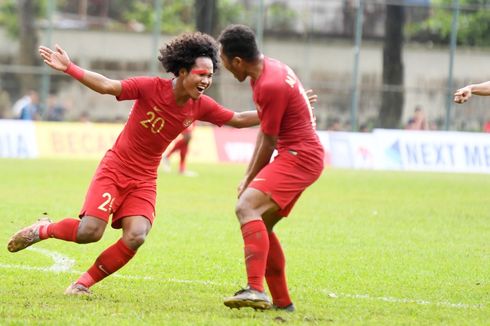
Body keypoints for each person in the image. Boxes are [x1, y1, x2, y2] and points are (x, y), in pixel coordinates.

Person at [7, 32, 261, 295]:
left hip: (144, 180)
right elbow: (107, 85)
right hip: (115, 169)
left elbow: (239, 118)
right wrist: (70, 68)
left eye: (210, 76)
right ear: (183, 71)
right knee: (89, 233)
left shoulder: (200, 106)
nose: (206, 81)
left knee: (136, 235)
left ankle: (82, 284)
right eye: (201, 74)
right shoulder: (150, 87)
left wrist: (280, 108)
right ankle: (43, 229)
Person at [218, 25, 325, 311]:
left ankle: (255, 290)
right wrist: (248, 177)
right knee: (261, 223)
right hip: (300, 154)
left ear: (237, 60)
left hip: (299, 156)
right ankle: (283, 303)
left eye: (225, 61)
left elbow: (268, 139)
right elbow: (267, 130)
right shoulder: (270, 70)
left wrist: (249, 179)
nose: (225, 67)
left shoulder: (269, 84)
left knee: (245, 208)